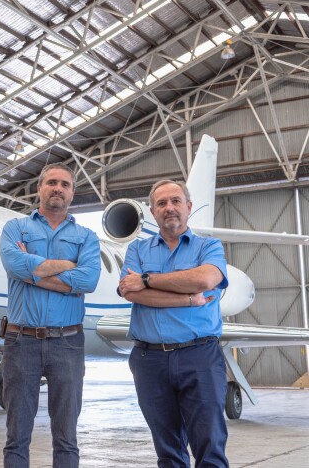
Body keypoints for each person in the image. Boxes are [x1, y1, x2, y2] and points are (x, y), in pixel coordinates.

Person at [118, 179, 229, 468]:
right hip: (149, 359)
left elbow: (205, 279)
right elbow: (130, 293)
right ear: (153, 212)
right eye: (162, 203)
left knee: (210, 446)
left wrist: (146, 280)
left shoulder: (209, 246)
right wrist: (188, 299)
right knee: (168, 451)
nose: (169, 208)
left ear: (189, 207)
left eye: (176, 201)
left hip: (199, 355)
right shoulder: (137, 250)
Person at [0, 163, 101, 467]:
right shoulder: (15, 228)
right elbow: (13, 265)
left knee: (66, 436)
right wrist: (69, 265)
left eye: (65, 184)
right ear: (39, 188)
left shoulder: (86, 236)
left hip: (67, 342)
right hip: (21, 340)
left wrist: (32, 273)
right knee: (17, 435)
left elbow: (89, 281)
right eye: (52, 182)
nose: (58, 188)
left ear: (72, 193)